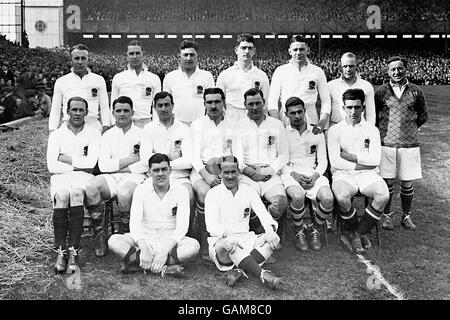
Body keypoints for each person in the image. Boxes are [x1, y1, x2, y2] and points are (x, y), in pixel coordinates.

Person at [108, 153, 200, 278]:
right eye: (156, 170)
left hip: (169, 238)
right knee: (114, 241)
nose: (160, 174)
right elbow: (134, 225)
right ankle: (166, 267)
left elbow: (182, 228)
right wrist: (144, 248)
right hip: (146, 237)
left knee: (193, 247)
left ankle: (139, 263)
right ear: (149, 172)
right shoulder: (141, 190)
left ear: (170, 170)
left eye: (164, 169)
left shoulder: (181, 190)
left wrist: (163, 251)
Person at [205, 156, 282, 290]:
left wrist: (269, 231)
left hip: (246, 239)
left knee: (273, 240)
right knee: (230, 245)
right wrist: (228, 237)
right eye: (226, 172)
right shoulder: (212, 194)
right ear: (219, 173)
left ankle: (239, 271)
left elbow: (263, 214)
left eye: (233, 172)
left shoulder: (249, 190)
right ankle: (263, 275)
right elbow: (211, 226)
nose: (230, 176)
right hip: (222, 243)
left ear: (238, 171)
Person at [84, 96, 147, 257]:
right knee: (91, 187)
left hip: (134, 177)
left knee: (125, 193)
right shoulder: (107, 136)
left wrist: (118, 167)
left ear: (132, 112)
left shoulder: (142, 133)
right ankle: (99, 235)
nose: (122, 114)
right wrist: (131, 159)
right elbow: (103, 166)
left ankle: (127, 236)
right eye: (118, 111)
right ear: (113, 113)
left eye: (126, 110)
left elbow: (144, 163)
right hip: (110, 177)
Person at [328, 88, 389, 253]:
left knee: (383, 195)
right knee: (341, 196)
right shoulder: (334, 130)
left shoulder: (372, 130)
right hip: (342, 173)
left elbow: (376, 159)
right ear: (343, 108)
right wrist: (362, 162)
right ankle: (355, 230)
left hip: (367, 173)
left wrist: (352, 156)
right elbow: (335, 161)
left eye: (357, 107)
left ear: (363, 107)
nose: (353, 111)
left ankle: (358, 232)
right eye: (349, 107)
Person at [46, 96, 101, 273]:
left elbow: (91, 163)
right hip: (60, 177)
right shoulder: (56, 134)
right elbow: (51, 165)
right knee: (62, 197)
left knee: (77, 194)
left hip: (83, 177)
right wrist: (79, 161)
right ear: (67, 111)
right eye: (74, 109)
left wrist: (64, 158)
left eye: (81, 110)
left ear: (86, 112)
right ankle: (61, 252)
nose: (77, 113)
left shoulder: (94, 133)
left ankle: (74, 253)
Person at [189, 87, 243, 260]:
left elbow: (239, 156)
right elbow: (193, 156)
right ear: (204, 104)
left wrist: (226, 174)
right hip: (202, 171)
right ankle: (206, 238)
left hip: (228, 170)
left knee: (241, 192)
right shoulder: (197, 125)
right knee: (205, 194)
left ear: (224, 103)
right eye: (209, 102)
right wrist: (207, 175)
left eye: (217, 101)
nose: (213, 105)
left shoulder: (234, 125)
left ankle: (239, 237)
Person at [375, 56, 429, 231]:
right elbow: (375, 116)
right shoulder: (381, 92)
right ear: (388, 71)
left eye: (400, 69)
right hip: (387, 143)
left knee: (407, 182)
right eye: (393, 69)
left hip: (409, 144)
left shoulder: (416, 91)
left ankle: (406, 216)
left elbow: (423, 116)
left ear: (406, 69)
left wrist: (408, 129)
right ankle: (387, 216)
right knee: (388, 182)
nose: (397, 72)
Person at [281, 97, 334, 251]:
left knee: (328, 199)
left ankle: (314, 229)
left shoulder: (317, 131)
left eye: (299, 112)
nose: (297, 116)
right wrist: (294, 175)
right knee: (298, 196)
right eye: (292, 113)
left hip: (313, 173)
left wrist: (316, 176)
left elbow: (323, 161)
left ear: (304, 111)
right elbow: (281, 162)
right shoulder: (283, 133)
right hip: (291, 173)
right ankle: (299, 230)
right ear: (286, 114)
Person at [141, 91, 195, 236]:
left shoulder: (184, 129)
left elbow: (189, 161)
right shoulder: (148, 129)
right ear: (155, 107)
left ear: (173, 106)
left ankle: (185, 236)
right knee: (140, 193)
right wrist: (172, 159)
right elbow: (144, 158)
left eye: (167, 105)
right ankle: (148, 235)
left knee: (188, 194)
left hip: (179, 176)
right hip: (155, 176)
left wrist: (161, 161)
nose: (164, 109)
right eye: (160, 106)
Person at [238, 88, 289, 239]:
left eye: (258, 103)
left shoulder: (277, 124)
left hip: (270, 175)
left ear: (264, 103)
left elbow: (284, 154)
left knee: (280, 203)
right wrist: (249, 171)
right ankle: (261, 236)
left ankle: (266, 233)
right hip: (247, 175)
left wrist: (267, 171)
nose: (255, 107)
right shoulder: (238, 126)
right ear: (245, 105)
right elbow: (235, 156)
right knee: (246, 204)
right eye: (251, 104)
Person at [268, 34, 330, 132]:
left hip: (310, 117)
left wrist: (322, 122)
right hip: (286, 117)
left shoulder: (317, 71)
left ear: (308, 50)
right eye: (295, 50)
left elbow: (326, 100)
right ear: (289, 51)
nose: (298, 52)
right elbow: (272, 101)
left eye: (302, 49)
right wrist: (277, 123)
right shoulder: (280, 71)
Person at [49, 44, 110, 133]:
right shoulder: (61, 81)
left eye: (83, 58)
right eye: (77, 58)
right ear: (71, 60)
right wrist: (52, 130)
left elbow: (104, 107)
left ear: (88, 59)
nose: (80, 62)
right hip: (69, 127)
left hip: (93, 126)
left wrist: (106, 127)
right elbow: (55, 109)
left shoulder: (98, 80)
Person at [216, 33, 270, 122]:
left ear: (254, 51)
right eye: (243, 48)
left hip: (253, 118)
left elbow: (265, 103)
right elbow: (219, 101)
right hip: (231, 119)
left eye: (250, 48)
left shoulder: (262, 75)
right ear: (236, 50)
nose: (246, 51)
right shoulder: (225, 75)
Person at [110, 40, 161, 128]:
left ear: (143, 55)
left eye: (137, 53)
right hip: (124, 122)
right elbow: (113, 104)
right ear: (127, 56)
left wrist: (156, 124)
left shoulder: (154, 78)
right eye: (131, 53)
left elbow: (157, 105)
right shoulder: (118, 77)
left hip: (146, 122)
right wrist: (113, 123)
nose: (135, 56)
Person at [163, 40, 215, 125]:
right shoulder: (170, 77)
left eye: (192, 55)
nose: (188, 58)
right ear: (180, 57)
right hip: (176, 124)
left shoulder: (207, 76)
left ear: (197, 57)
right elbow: (165, 103)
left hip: (200, 124)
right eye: (185, 55)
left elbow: (212, 101)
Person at [328, 52, 375, 128]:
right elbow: (326, 110)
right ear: (340, 67)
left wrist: (369, 131)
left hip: (359, 129)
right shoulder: (330, 85)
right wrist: (327, 131)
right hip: (336, 129)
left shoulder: (366, 85)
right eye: (345, 66)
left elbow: (371, 113)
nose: (348, 69)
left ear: (356, 66)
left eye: (351, 66)